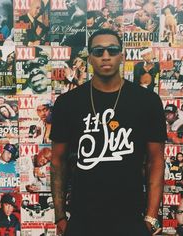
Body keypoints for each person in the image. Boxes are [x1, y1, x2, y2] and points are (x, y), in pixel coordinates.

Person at [50, 29, 167, 236]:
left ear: (121, 56)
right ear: (90, 57)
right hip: (82, 220)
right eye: (98, 51)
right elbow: (58, 161)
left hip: (131, 220)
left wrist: (150, 218)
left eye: (112, 50)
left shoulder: (147, 101)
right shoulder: (68, 103)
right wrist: (60, 216)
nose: (106, 56)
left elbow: (155, 160)